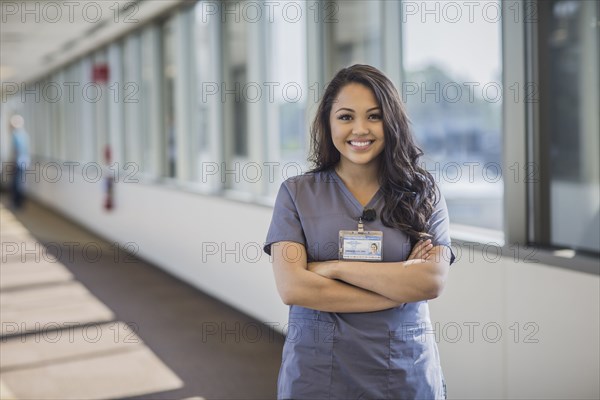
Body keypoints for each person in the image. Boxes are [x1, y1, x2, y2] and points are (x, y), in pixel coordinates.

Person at [263, 64, 456, 399]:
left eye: (374, 116)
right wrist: (398, 289)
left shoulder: (423, 193)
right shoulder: (296, 194)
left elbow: (430, 282)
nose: (360, 129)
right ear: (328, 122)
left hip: (403, 372)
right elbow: (293, 287)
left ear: (391, 121)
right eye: (346, 117)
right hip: (319, 374)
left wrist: (333, 268)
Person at [9, 114, 30, 209]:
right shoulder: (24, 134)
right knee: (21, 182)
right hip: (24, 161)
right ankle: (19, 203)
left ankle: (17, 203)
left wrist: (13, 162)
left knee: (17, 183)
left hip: (19, 162)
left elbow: (17, 150)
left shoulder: (16, 134)